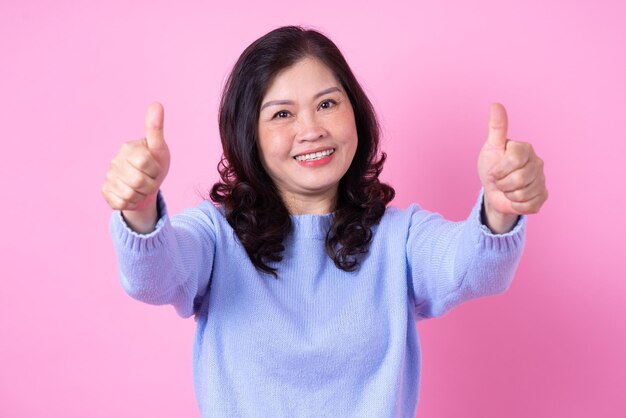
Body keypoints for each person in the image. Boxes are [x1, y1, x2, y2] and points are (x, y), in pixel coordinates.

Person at [102, 26, 548, 417]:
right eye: (282, 114)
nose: (311, 129)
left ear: (356, 112)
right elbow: (153, 277)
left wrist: (500, 206)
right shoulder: (215, 236)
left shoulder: (401, 237)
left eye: (328, 104)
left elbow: (472, 267)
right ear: (248, 134)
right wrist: (140, 209)